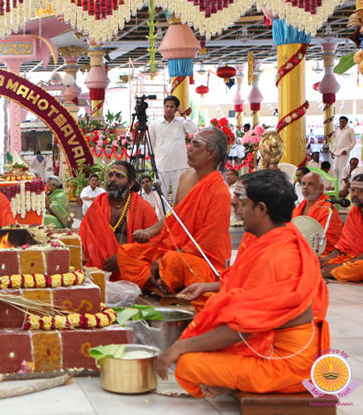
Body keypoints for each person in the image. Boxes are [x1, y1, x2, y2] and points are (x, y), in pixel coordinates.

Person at [157, 170, 329, 398]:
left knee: (188, 363)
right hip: (275, 341)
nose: (235, 206)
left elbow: (241, 331)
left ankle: (237, 380)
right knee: (207, 326)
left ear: (262, 209)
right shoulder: (280, 237)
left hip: (288, 361)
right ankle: (232, 378)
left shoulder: (278, 255)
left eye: (242, 202)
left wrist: (178, 348)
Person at [112, 128, 232, 293]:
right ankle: (155, 280)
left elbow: (209, 238)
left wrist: (168, 257)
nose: (188, 148)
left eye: (195, 145)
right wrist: (149, 232)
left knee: (172, 261)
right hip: (171, 248)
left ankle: (163, 278)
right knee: (127, 252)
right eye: (190, 143)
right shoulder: (185, 177)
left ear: (210, 154)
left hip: (197, 257)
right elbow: (175, 216)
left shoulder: (219, 190)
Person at [79, 162, 159, 270]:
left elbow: (154, 244)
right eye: (110, 175)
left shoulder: (143, 207)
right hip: (97, 269)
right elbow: (84, 234)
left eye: (119, 176)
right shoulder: (98, 203)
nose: (113, 179)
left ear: (130, 183)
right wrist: (81, 254)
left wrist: (124, 257)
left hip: (131, 270)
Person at [148, 95, 198, 203]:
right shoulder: (155, 124)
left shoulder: (181, 122)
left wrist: (184, 114)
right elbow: (151, 144)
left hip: (179, 165)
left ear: (176, 109)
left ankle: (179, 218)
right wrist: (153, 163)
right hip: (162, 165)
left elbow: (193, 129)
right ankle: (162, 219)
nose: (168, 109)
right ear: (163, 107)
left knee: (179, 196)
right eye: (166, 106)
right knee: (161, 197)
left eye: (171, 107)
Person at [321, 174, 363, 281]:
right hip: (352, 258)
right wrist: (326, 260)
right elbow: (343, 246)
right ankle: (333, 270)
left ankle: (332, 272)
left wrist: (342, 265)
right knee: (318, 259)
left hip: (358, 262)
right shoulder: (354, 212)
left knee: (359, 267)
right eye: (352, 190)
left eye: (360, 191)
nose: (354, 194)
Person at [294, 172, 342, 255]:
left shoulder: (327, 209)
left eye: (310, 184)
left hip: (320, 253)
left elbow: (325, 241)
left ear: (321, 188)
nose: (305, 187)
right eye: (303, 184)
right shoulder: (300, 207)